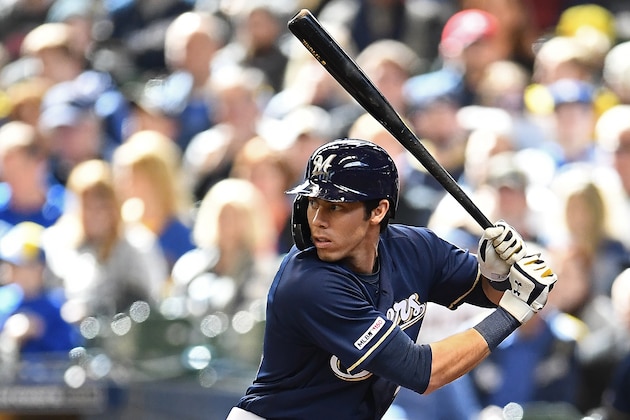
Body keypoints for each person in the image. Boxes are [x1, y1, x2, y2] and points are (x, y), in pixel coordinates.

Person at [227, 138, 557, 419]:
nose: (317, 219)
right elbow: (423, 372)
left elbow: (487, 291)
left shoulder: (416, 249)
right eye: (314, 203)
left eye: (336, 207)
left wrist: (497, 274)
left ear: (378, 210)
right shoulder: (308, 281)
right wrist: (513, 312)